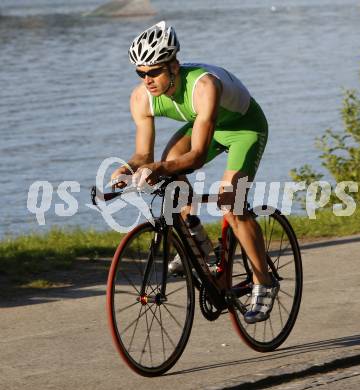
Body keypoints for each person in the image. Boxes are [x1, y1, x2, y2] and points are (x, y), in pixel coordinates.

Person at [111, 21, 279, 323]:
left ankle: (263, 284)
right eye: (141, 73)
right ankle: (199, 241)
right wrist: (126, 168)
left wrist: (158, 169)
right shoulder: (141, 98)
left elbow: (197, 156)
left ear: (174, 65)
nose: (147, 79)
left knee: (232, 203)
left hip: (244, 128)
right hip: (208, 126)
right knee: (169, 163)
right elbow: (143, 155)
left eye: (154, 71)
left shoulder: (204, 85)